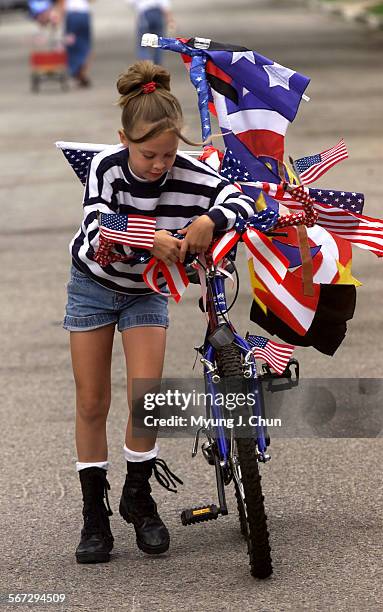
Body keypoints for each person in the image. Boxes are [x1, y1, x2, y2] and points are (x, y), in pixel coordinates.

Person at [64, 59, 262, 564]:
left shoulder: (190, 172)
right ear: (122, 140)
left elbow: (241, 202)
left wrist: (211, 218)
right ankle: (94, 514)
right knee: (92, 402)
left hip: (146, 294)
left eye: (169, 154)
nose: (159, 165)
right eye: (149, 154)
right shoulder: (107, 169)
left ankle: (138, 497)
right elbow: (95, 227)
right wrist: (147, 237)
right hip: (94, 286)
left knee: (144, 398)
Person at [55, 0, 93, 87]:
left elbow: (62, 4)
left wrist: (59, 19)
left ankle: (76, 72)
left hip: (72, 15)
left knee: (71, 45)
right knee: (85, 45)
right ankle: (82, 72)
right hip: (84, 14)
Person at [127, 0, 174, 65]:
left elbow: (131, 2)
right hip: (158, 15)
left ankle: (146, 65)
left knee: (143, 44)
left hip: (145, 14)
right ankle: (157, 67)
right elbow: (165, 6)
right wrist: (170, 20)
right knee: (158, 43)